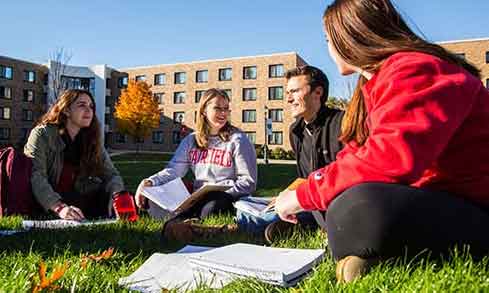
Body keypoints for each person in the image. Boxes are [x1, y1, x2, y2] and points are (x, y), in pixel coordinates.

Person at [274, 0, 489, 283]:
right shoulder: (375, 86)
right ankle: (380, 256)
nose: (328, 47)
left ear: (349, 34)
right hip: (439, 201)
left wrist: (303, 196)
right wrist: (312, 188)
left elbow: (392, 160)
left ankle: (377, 255)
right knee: (346, 207)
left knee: (359, 206)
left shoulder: (416, 69)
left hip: (475, 206)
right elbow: (355, 154)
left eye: (328, 39)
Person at [135, 88, 257, 225]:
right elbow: (174, 171)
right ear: (204, 111)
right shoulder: (191, 140)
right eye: (217, 108)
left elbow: (248, 182)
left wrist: (225, 191)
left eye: (226, 108)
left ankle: (183, 223)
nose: (223, 113)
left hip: (226, 197)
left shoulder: (238, 140)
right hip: (196, 197)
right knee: (150, 198)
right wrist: (149, 182)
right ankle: (182, 223)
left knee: (210, 209)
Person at [261, 66, 344, 243]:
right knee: (262, 216)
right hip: (310, 200)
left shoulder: (341, 123)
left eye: (295, 91)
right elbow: (303, 177)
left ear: (318, 92)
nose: (288, 99)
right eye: (287, 92)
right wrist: (286, 193)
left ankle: (314, 226)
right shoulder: (295, 131)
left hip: (337, 199)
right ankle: (304, 224)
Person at [24, 89, 126, 220]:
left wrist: (116, 197)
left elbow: (112, 175)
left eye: (91, 106)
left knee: (127, 198)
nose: (89, 110)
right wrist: (59, 207)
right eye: (82, 105)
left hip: (81, 199)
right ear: (66, 110)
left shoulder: (91, 139)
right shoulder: (42, 134)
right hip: (49, 200)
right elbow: (36, 176)